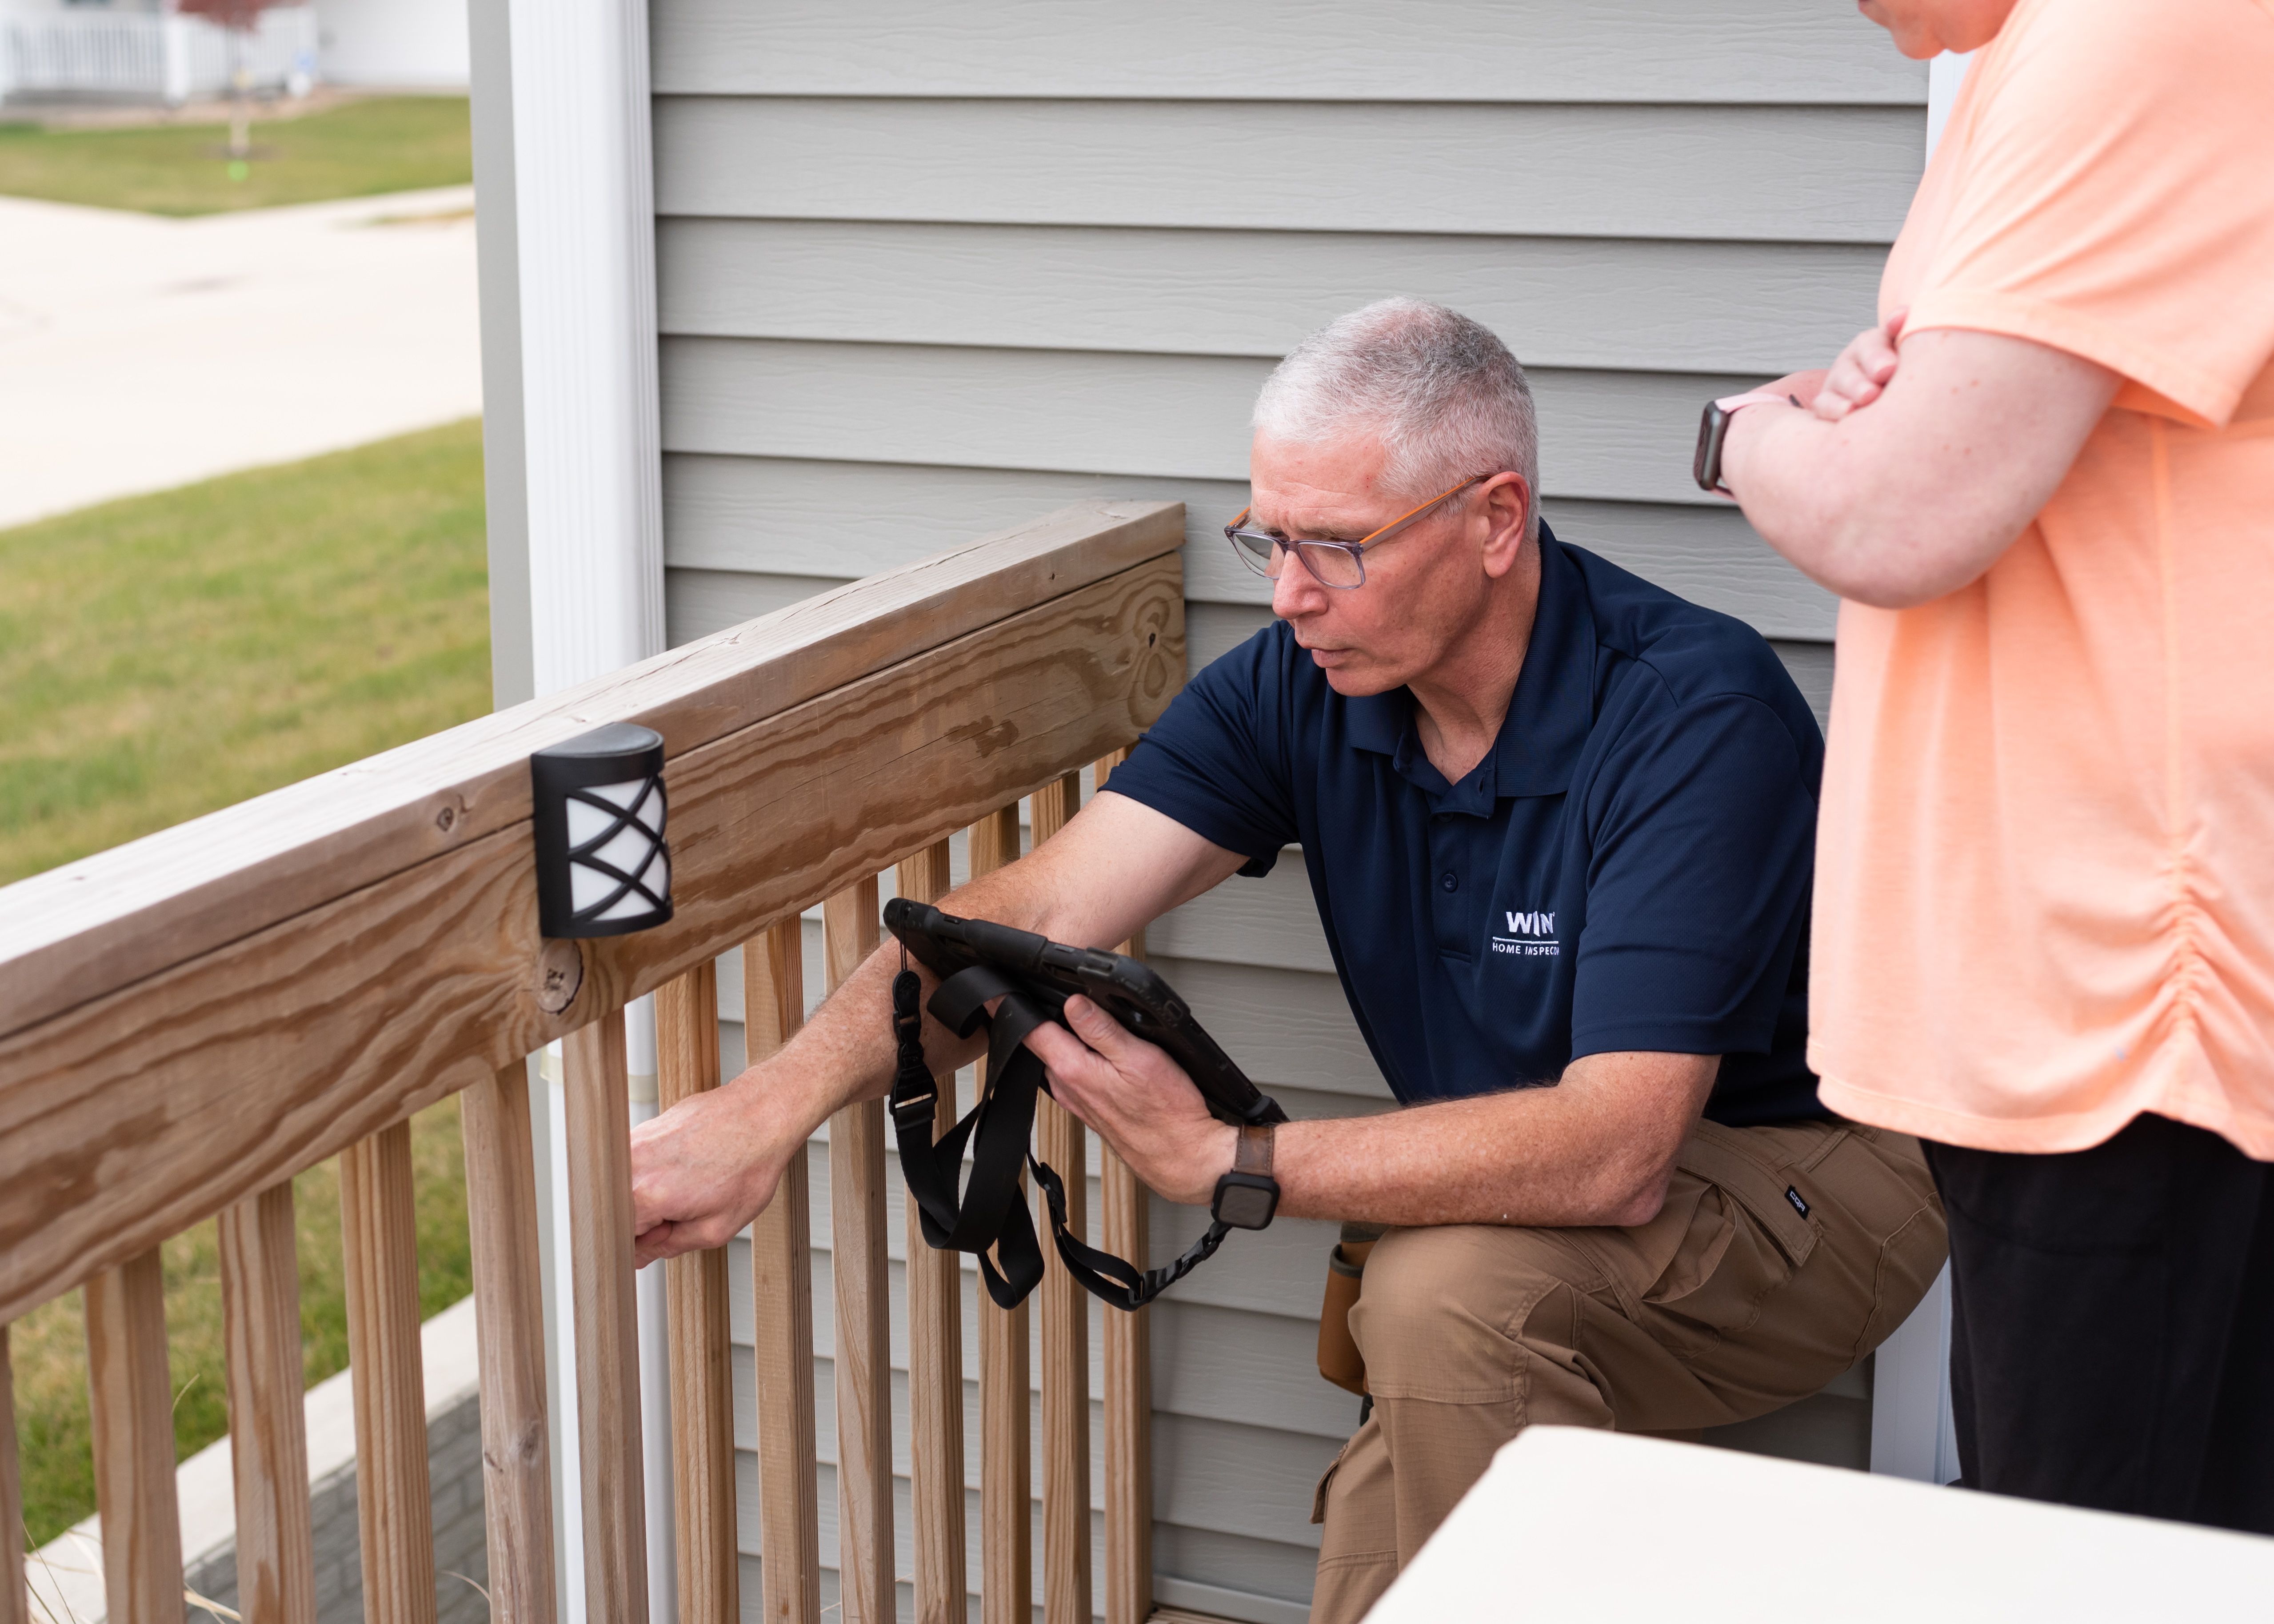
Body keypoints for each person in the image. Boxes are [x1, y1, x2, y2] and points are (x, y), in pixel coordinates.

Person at [631, 299, 1947, 1621]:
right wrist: (763, 1114)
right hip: (1549, 1182)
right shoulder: (1301, 683)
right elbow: (1026, 915)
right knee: (1435, 1371)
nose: (1288, 593)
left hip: (1820, 1170)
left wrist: (1233, 1166)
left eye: (1338, 547)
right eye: (1269, 537)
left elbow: (1617, 1151)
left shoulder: (1689, 715)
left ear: (1495, 520)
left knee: (1443, 1302)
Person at [1708, 0, 2274, 1532]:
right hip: (2095, 987)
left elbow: (1896, 518)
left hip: (2125, 1000)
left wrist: (1747, 432)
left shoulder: (2133, 35)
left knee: (2101, 1557)